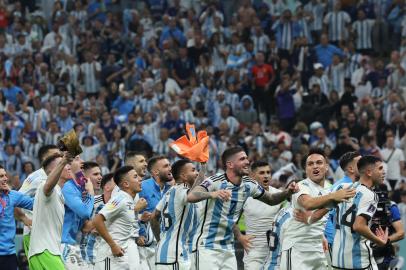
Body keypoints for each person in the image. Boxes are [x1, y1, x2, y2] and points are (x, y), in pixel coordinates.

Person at [187, 146, 299, 270]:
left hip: (228, 248)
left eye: (246, 158)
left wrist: (288, 192)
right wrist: (213, 194)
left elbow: (271, 200)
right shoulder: (216, 181)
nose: (247, 161)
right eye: (242, 159)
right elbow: (191, 196)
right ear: (230, 164)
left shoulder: (249, 184)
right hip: (206, 247)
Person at [280, 148, 357, 270]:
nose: (315, 166)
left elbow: (316, 215)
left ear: (326, 167)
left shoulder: (330, 188)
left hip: (318, 249)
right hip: (297, 250)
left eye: (319, 163)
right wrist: (333, 197)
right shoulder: (300, 186)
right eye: (310, 164)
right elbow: (308, 204)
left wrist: (321, 236)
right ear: (306, 170)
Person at [332, 155, 388, 269]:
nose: (384, 172)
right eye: (380, 168)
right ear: (369, 172)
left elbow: (323, 209)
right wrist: (379, 241)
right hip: (359, 261)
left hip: (338, 260)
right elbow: (358, 226)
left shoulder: (342, 187)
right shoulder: (370, 195)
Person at [28, 152, 80, 270]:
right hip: (45, 251)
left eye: (67, 164)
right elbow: (47, 187)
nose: (68, 166)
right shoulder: (45, 187)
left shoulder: (59, 192)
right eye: (63, 164)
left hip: (45, 251)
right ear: (52, 172)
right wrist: (64, 160)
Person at [150, 159, 203, 270]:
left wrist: (160, 240)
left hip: (166, 252)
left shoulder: (170, 191)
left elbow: (154, 216)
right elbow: (194, 193)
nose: (197, 173)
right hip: (176, 255)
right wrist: (204, 168)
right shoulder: (182, 191)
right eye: (193, 170)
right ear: (183, 176)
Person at [93, 166, 142, 270]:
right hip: (109, 257)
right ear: (126, 184)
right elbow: (97, 219)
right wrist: (113, 245)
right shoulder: (120, 199)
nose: (140, 179)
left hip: (120, 257)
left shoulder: (128, 200)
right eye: (135, 177)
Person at [238, 161, 284, 270]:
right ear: (253, 176)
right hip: (254, 252)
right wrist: (240, 237)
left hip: (276, 251)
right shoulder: (244, 196)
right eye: (262, 173)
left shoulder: (279, 195)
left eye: (268, 172)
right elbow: (230, 219)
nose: (266, 175)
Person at [17, 144, 60, 256]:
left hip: (51, 233)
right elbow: (14, 200)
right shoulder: (36, 177)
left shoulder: (58, 176)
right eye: (55, 155)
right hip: (35, 234)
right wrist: (24, 219)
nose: (59, 158)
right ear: (44, 159)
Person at [138, 156, 174, 269]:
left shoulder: (172, 189)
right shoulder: (142, 187)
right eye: (166, 166)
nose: (170, 168)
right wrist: (139, 234)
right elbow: (130, 212)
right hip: (146, 245)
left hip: (167, 244)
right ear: (155, 172)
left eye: (169, 165)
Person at [325, 151, 362, 260]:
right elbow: (326, 217)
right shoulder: (342, 187)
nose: (365, 164)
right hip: (341, 246)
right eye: (360, 162)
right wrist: (334, 241)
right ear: (351, 169)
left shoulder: (357, 186)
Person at [61, 156, 95, 270]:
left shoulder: (78, 188)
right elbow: (85, 213)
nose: (82, 161)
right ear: (68, 165)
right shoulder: (67, 187)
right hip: (63, 244)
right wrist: (91, 193)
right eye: (77, 159)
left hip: (72, 244)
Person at [0, 165, 33, 270]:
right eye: (1, 176)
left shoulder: (12, 195)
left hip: (8, 254)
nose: (6, 178)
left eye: (5, 175)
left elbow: (36, 204)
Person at [83, 173, 116, 267]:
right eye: (117, 183)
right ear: (107, 187)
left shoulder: (122, 204)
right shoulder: (93, 202)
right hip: (92, 251)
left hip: (113, 252)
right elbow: (84, 228)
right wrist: (97, 226)